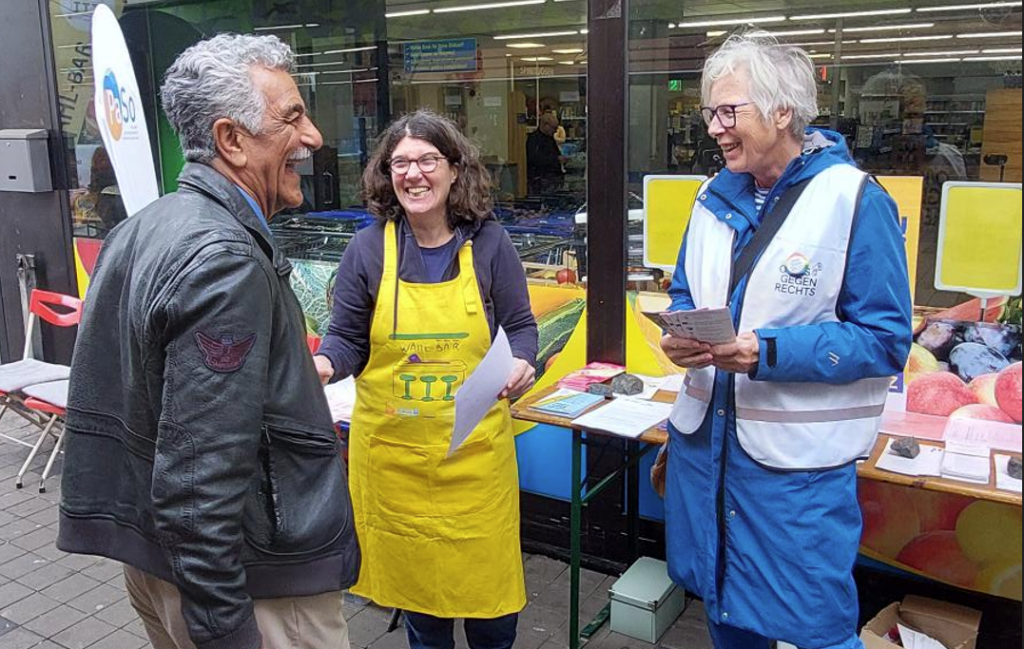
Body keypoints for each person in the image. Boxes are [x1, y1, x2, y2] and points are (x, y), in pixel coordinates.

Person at [57, 33, 359, 649]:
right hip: (248, 586)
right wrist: (226, 628)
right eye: (292, 117)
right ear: (231, 140)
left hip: (162, 564)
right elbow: (201, 472)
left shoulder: (143, 227)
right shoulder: (224, 257)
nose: (314, 138)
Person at [660, 33, 911, 649]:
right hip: (708, 455)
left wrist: (765, 352)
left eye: (729, 112)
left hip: (793, 474)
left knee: (817, 627)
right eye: (709, 114)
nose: (715, 129)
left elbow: (884, 340)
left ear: (782, 111)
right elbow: (687, 292)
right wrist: (680, 332)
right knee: (724, 611)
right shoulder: (711, 197)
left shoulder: (854, 200)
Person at [313, 109, 538, 649]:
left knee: (491, 611)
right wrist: (321, 365)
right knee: (424, 613)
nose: (414, 174)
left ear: (454, 170)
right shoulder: (368, 249)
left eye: (427, 161)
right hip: (397, 465)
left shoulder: (489, 243)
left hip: (475, 464)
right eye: (401, 163)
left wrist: (523, 362)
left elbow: (522, 327)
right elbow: (346, 341)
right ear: (386, 175)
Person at [526, 111, 566, 195]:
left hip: (553, 178)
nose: (555, 131)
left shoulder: (550, 139)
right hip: (541, 180)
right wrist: (556, 159)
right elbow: (534, 159)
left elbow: (556, 153)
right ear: (546, 125)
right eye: (554, 128)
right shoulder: (534, 140)